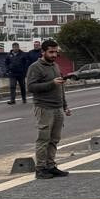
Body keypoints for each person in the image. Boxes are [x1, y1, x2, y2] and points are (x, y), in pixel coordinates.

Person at [26, 39, 70, 177]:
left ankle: (51, 165)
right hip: (44, 107)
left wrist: (65, 106)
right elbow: (31, 87)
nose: (54, 55)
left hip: (57, 108)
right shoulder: (35, 67)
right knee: (43, 139)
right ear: (43, 52)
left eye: (56, 52)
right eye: (51, 52)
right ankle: (40, 169)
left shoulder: (55, 66)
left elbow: (60, 87)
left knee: (54, 139)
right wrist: (51, 83)